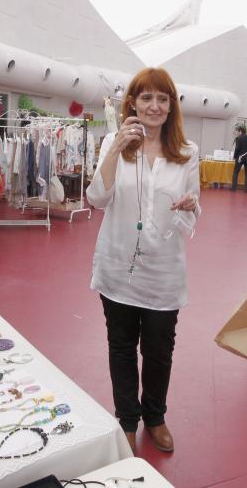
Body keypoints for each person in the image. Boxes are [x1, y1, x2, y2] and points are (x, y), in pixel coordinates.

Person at [86, 67, 200, 455]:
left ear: (171, 107)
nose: (155, 106)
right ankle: (127, 420)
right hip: (118, 265)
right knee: (120, 346)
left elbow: (190, 218)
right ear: (132, 102)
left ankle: (155, 416)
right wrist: (116, 147)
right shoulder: (114, 145)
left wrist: (189, 206)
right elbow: (96, 199)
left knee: (158, 350)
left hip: (163, 271)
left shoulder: (187, 153)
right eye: (147, 98)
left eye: (163, 99)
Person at [231, 125, 247, 192]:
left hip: (240, 158)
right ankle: (246, 189)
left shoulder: (239, 138)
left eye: (237, 132)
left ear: (240, 131)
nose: (237, 133)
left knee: (236, 172)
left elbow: (237, 149)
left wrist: (234, 157)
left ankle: (233, 188)